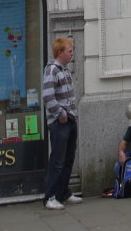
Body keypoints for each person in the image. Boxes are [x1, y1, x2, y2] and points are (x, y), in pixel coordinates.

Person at [42, 36, 81, 211]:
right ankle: (49, 197)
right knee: (57, 160)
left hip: (70, 119)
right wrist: (60, 114)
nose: (72, 54)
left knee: (68, 158)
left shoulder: (65, 70)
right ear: (60, 52)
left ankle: (63, 193)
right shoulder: (52, 70)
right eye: (69, 51)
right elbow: (48, 96)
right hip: (60, 122)